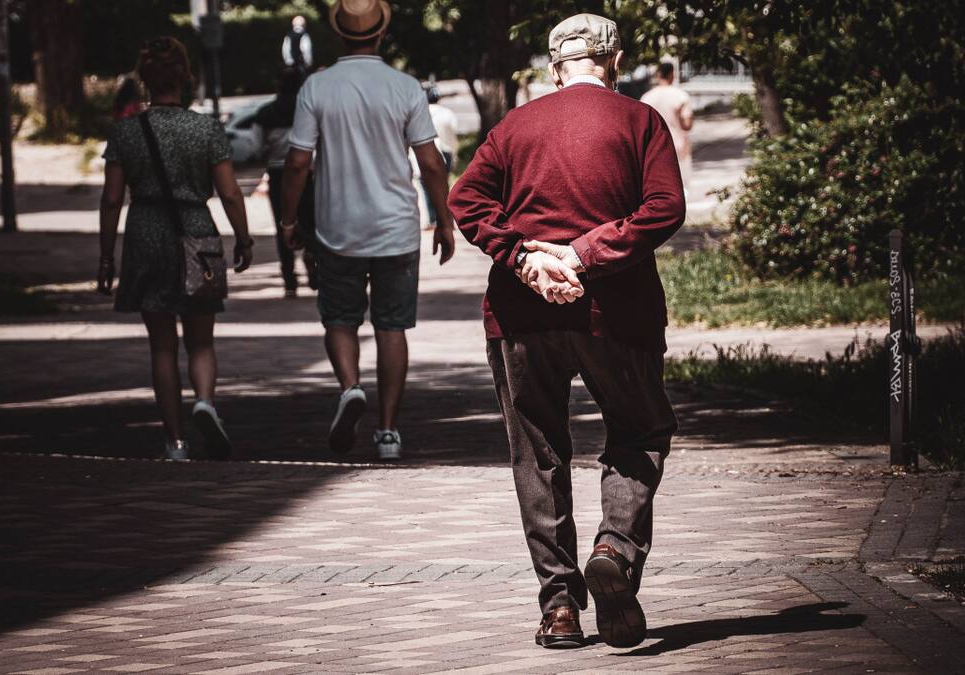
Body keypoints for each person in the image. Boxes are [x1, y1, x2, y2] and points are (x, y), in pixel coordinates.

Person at [448, 13, 685, 649]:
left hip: (520, 316)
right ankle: (615, 549)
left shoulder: (513, 126)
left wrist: (525, 258)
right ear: (616, 61)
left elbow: (465, 201)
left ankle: (559, 609)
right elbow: (664, 208)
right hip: (619, 314)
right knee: (640, 431)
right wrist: (583, 254)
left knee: (538, 454)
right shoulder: (640, 121)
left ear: (555, 69)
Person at [277, 0, 455, 461]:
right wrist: (444, 220)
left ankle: (351, 387)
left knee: (340, 319)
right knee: (392, 327)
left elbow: (297, 162)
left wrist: (289, 219)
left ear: (339, 34)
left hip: (337, 228)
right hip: (397, 229)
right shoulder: (405, 87)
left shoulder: (317, 87)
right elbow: (431, 162)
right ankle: (388, 431)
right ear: (381, 33)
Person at [98, 36, 255, 461]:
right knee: (201, 341)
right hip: (197, 232)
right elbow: (230, 193)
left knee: (162, 345)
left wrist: (106, 256)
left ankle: (176, 442)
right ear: (185, 77)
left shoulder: (125, 132)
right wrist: (243, 238)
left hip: (146, 233)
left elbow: (112, 199)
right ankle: (204, 401)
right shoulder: (206, 129)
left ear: (144, 79)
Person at [255, 67, 317, 296]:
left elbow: (256, 146)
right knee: (310, 221)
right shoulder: (308, 110)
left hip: (277, 173)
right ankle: (313, 262)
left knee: (284, 223)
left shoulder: (265, 113)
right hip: (307, 172)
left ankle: (289, 279)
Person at [640, 61, 693, 192]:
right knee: (681, 186)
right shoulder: (680, 96)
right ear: (672, 74)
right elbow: (687, 125)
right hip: (678, 145)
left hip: (654, 147)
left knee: (659, 186)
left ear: (658, 75)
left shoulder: (646, 98)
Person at [420, 83, 458, 229]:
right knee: (443, 185)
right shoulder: (448, 113)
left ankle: (433, 220)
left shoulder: (421, 113)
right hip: (446, 152)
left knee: (426, 185)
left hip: (426, 152)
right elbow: (453, 137)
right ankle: (446, 219)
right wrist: (454, 154)